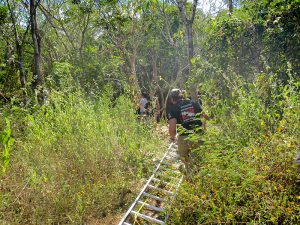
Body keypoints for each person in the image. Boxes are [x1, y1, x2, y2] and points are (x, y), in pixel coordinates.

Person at [167, 88, 206, 171]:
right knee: (198, 160)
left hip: (184, 137)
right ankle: (196, 175)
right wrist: (204, 129)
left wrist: (172, 137)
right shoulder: (193, 102)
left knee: (185, 159)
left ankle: (190, 175)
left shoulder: (172, 108)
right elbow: (204, 116)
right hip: (198, 134)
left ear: (172, 98)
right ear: (182, 96)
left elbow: (172, 124)